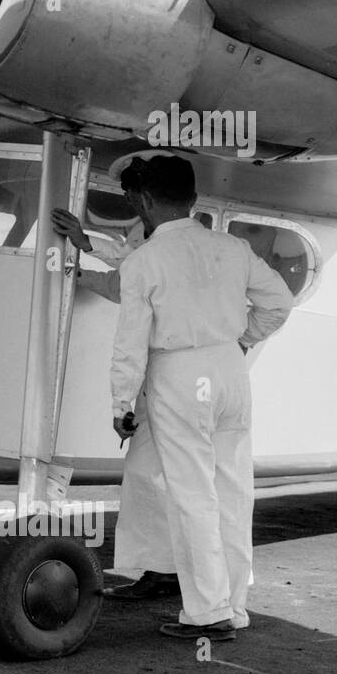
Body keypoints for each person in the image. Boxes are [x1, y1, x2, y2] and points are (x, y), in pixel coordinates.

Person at [109, 156, 293, 640]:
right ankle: (233, 606)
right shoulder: (231, 248)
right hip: (230, 369)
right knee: (233, 493)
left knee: (192, 496)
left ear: (146, 201)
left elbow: (130, 342)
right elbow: (280, 302)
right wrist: (242, 340)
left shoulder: (143, 261)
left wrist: (122, 405)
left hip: (180, 374)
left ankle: (207, 613)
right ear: (192, 200)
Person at [52, 152, 181, 599]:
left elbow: (131, 287)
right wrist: (81, 264)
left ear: (144, 196)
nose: (130, 203)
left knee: (155, 476)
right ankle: (178, 575)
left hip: (168, 377)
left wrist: (121, 407)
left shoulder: (164, 247)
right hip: (193, 378)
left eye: (132, 194)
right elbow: (126, 276)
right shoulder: (180, 242)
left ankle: (173, 577)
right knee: (169, 477)